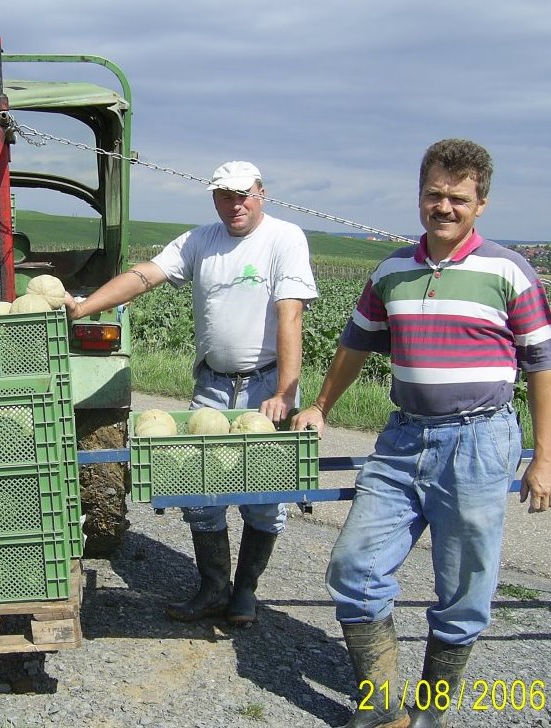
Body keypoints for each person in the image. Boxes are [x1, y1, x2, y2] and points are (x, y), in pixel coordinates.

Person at [292, 138, 551, 728]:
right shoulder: (391, 272)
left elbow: (542, 365)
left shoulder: (508, 271)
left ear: (480, 203)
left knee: (463, 592)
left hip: (480, 442)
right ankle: (383, 709)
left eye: (458, 198)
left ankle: (430, 711)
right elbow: (356, 343)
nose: (444, 207)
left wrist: (545, 457)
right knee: (353, 569)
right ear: (419, 196)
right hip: (402, 439)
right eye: (434, 194)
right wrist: (323, 406)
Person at [65, 160, 317, 627]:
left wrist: (286, 390)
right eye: (225, 195)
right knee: (199, 492)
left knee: (264, 495)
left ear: (262, 192)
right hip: (213, 386)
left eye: (243, 194)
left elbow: (290, 314)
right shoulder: (201, 240)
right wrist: (83, 308)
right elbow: (144, 276)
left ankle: (245, 593)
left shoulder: (284, 238)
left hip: (264, 387)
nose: (235, 203)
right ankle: (212, 589)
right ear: (214, 198)